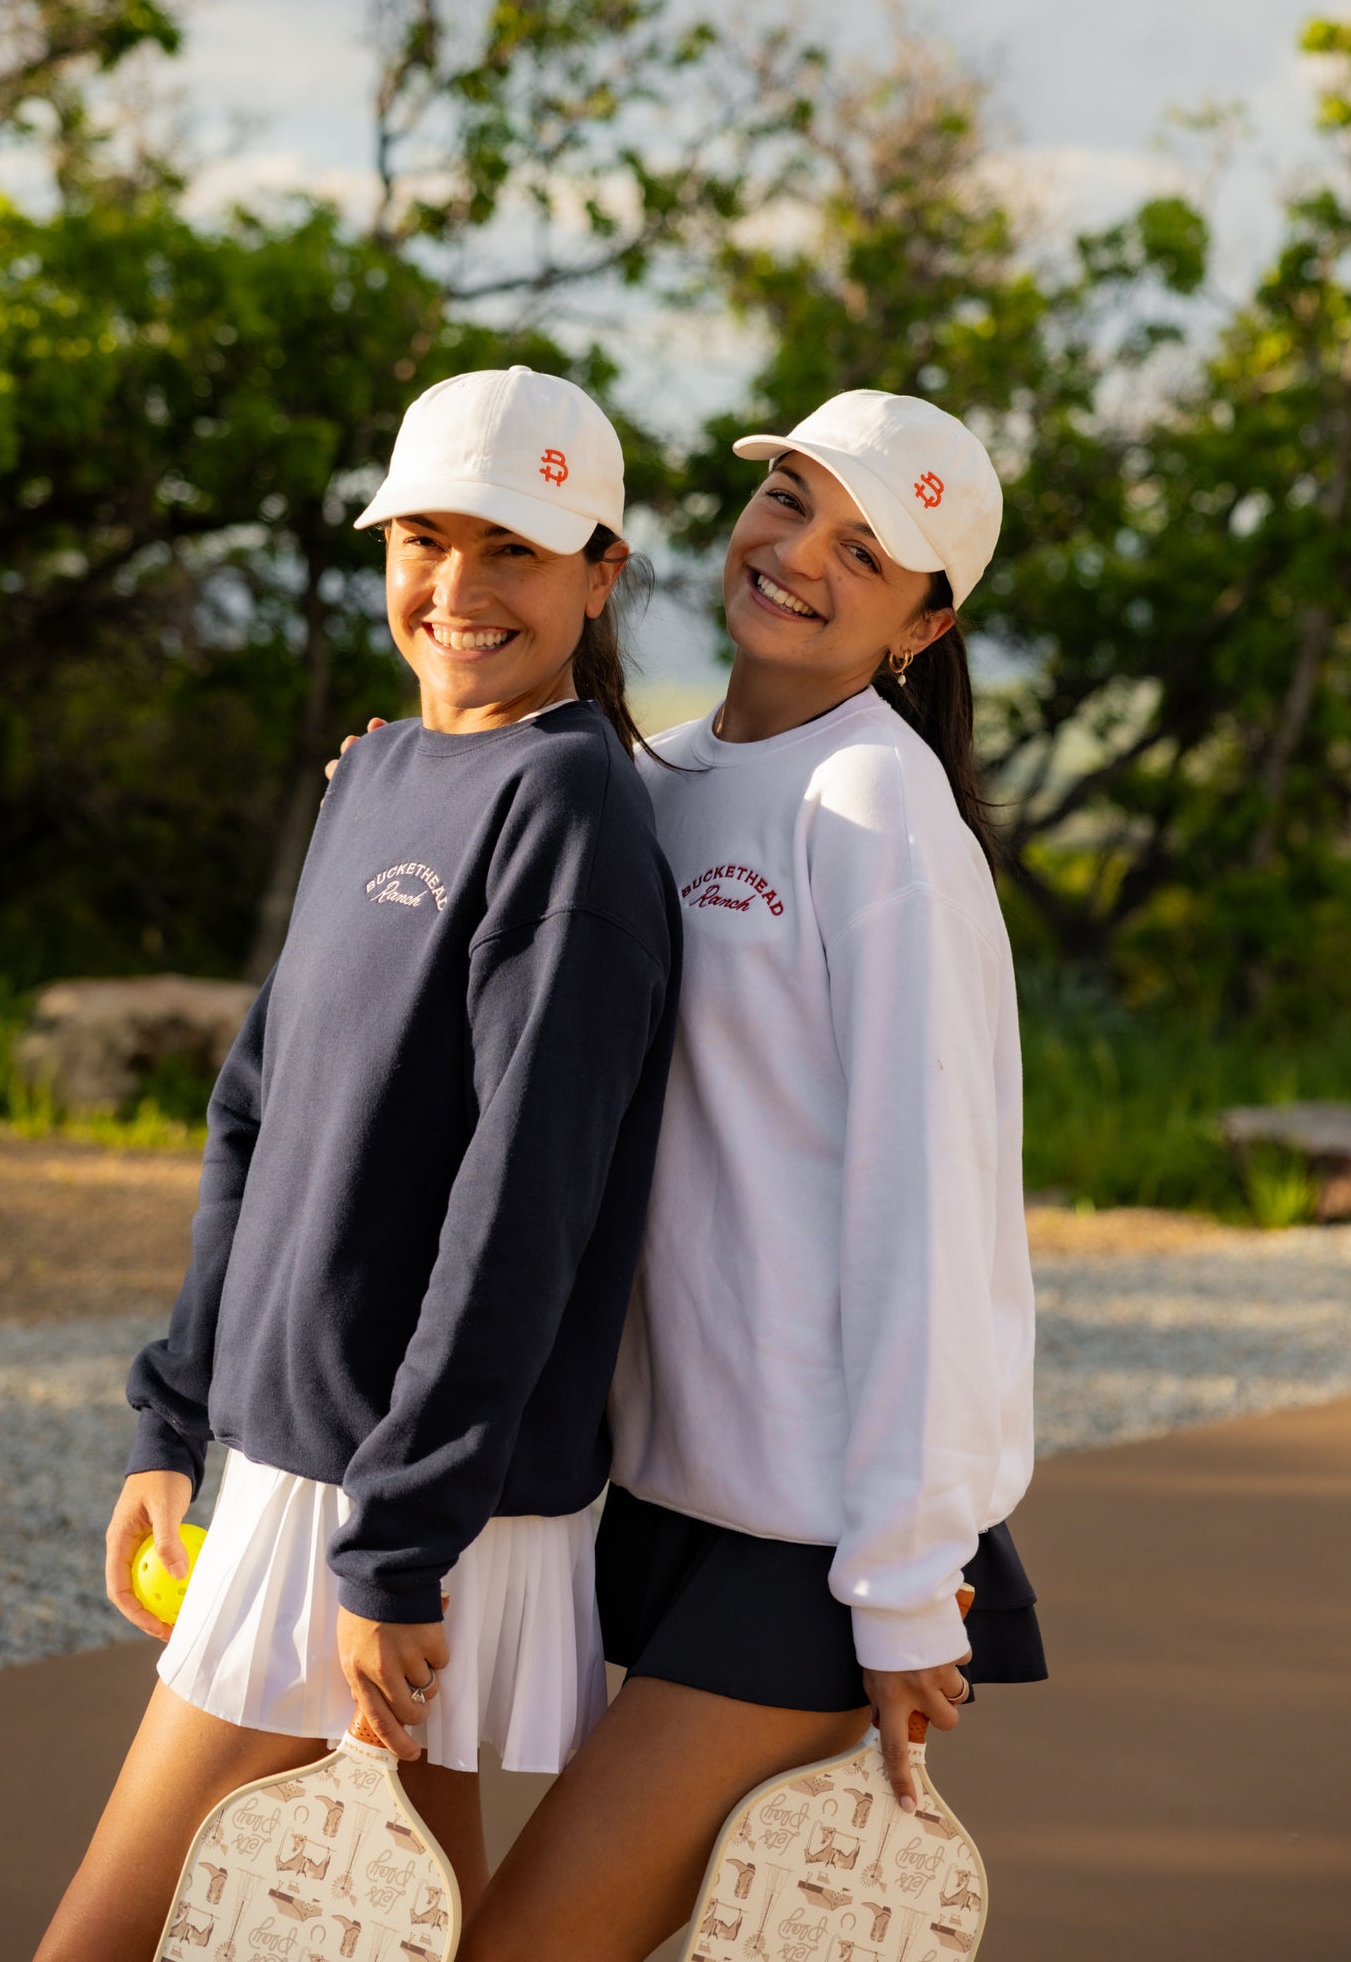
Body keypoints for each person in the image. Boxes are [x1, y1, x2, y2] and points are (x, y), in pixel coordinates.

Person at [33, 366, 682, 1962]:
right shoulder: (380, 768)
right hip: (306, 1465)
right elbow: (256, 1109)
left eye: (515, 551)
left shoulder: (573, 814)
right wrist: (170, 1413)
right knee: (401, 1928)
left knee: (105, 1940)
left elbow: (521, 1211)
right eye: (426, 542)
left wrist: (395, 1550)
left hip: (392, 1495)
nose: (458, 590)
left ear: (601, 571)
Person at [456, 389, 1043, 1962]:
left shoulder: (877, 809)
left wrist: (909, 1584)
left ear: (923, 623)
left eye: (867, 552)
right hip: (643, 1494)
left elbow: (937, 1216)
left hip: (806, 1535)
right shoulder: (653, 780)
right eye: (789, 500)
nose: (798, 555)